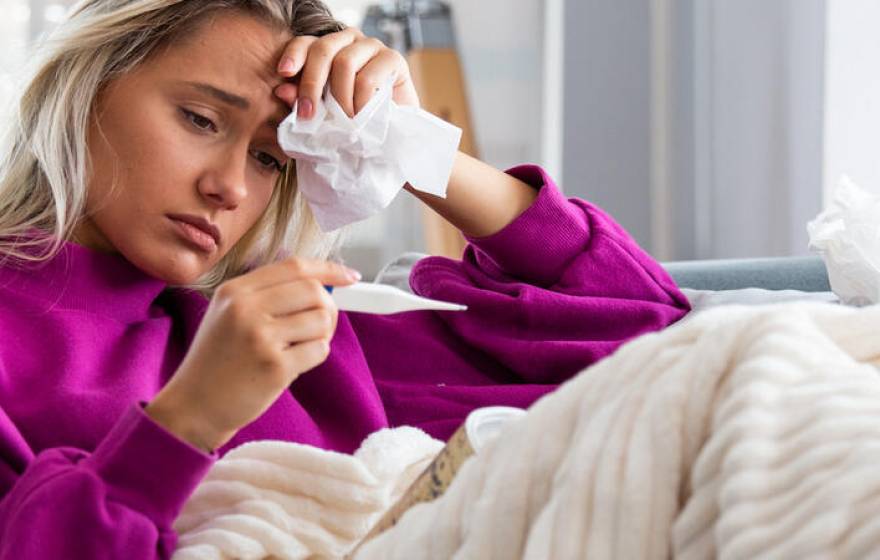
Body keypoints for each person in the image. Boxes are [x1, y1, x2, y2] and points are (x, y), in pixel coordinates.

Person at [0, 0, 690, 557]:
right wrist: (189, 420)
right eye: (201, 119)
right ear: (85, 85)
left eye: (270, 159)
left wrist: (411, 145)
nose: (229, 188)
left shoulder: (290, 332)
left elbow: (645, 334)